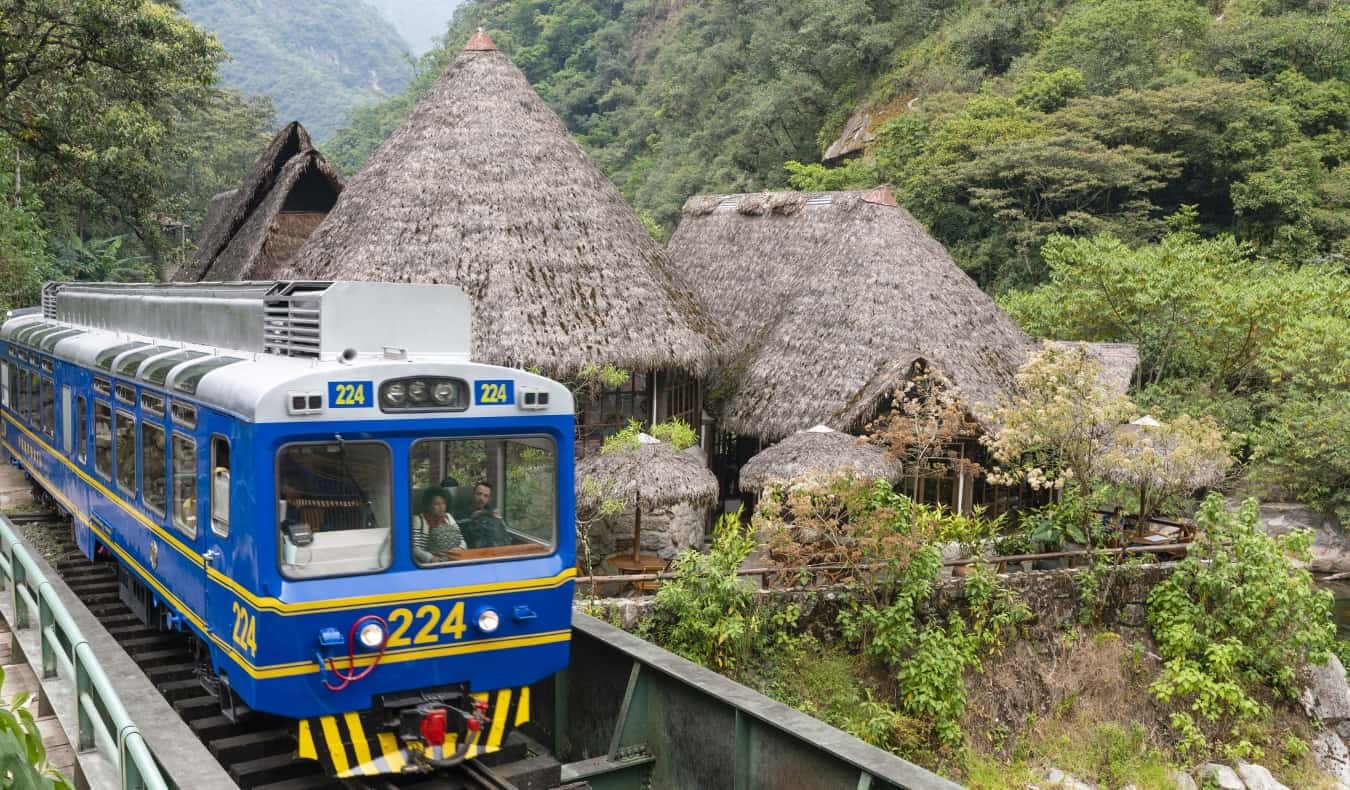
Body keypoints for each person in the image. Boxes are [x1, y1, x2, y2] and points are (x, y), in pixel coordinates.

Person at [412, 490, 466, 563]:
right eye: (436, 504)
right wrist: (430, 558)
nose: (441, 507)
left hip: (452, 559)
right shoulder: (418, 520)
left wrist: (459, 549)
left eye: (443, 503)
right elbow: (415, 548)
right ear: (428, 505)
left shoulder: (448, 517)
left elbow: (462, 540)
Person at [459, 481, 511, 548]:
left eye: (486, 496)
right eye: (479, 494)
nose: (481, 498)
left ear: (489, 499)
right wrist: (471, 519)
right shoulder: (461, 513)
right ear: (473, 494)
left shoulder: (492, 513)